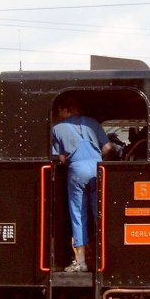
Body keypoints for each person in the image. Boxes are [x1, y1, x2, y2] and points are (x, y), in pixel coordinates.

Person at [51, 96, 117, 272]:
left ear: (66, 110)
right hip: (97, 168)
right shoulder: (92, 122)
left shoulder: (57, 128)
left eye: (60, 112)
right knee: (99, 213)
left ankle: (80, 260)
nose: (59, 115)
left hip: (77, 170)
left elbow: (61, 157)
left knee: (78, 214)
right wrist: (97, 157)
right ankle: (103, 256)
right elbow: (109, 147)